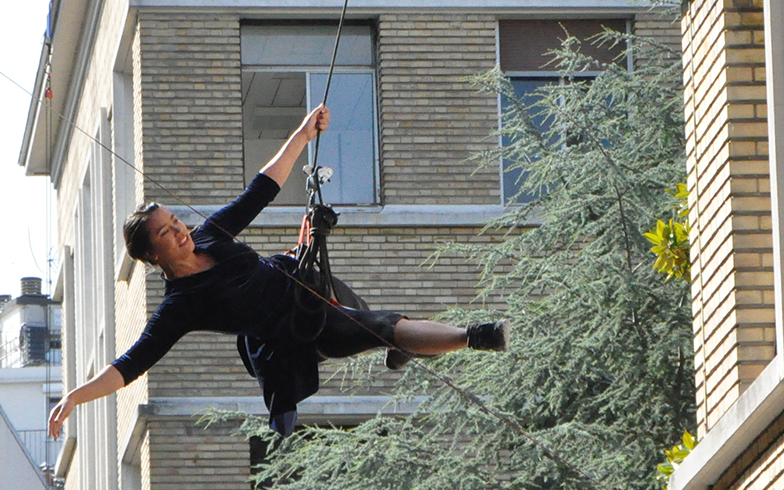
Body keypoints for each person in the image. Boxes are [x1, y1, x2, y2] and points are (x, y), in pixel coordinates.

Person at [47, 104, 507, 439]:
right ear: (152, 256)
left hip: (301, 276)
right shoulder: (180, 307)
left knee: (381, 323)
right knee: (383, 327)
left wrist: (302, 135)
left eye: (176, 221)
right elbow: (130, 365)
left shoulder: (209, 235)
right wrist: (75, 397)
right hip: (299, 330)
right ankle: (474, 337)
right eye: (166, 233)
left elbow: (260, 189)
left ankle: (419, 345)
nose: (180, 231)